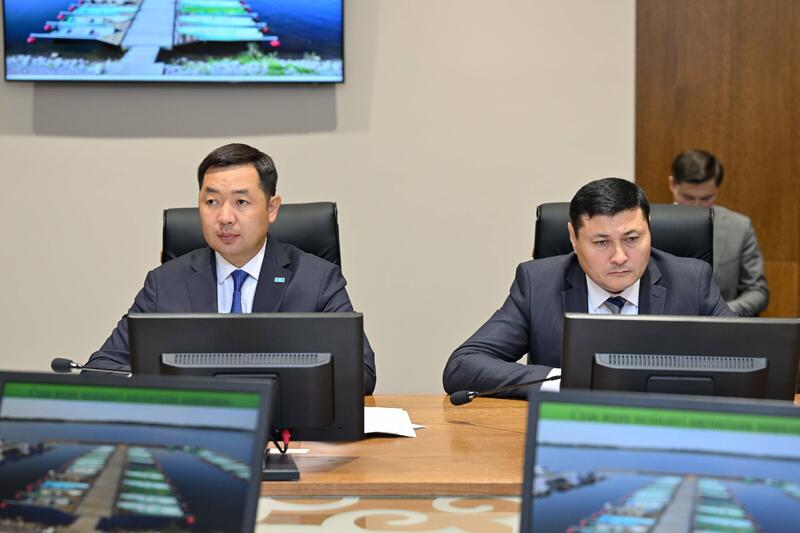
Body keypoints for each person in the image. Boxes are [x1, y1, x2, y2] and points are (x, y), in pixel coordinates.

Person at [88, 143, 376, 394]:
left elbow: (361, 373)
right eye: (211, 202)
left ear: (272, 208)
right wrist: (171, 384)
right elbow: (101, 368)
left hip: (287, 431)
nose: (225, 217)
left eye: (241, 202)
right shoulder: (164, 284)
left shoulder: (316, 280)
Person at [443, 177, 733, 398]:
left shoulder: (691, 281)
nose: (619, 257)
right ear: (573, 237)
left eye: (632, 239)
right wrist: (565, 383)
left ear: (650, 228)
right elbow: (463, 365)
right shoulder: (538, 284)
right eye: (601, 242)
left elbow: (747, 362)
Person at [668, 149, 769, 316]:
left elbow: (757, 292)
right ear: (672, 185)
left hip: (722, 326)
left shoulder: (739, 227)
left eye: (706, 198)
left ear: (717, 190)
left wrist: (721, 313)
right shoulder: (647, 225)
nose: (696, 205)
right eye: (688, 197)